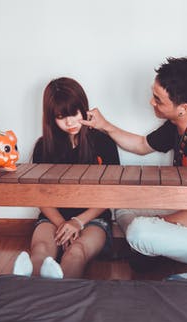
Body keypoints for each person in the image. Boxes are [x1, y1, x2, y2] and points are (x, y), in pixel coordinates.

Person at [80, 57, 187, 269]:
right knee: (123, 204)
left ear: (182, 108)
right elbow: (140, 145)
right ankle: (151, 247)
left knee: (140, 230)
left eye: (158, 99)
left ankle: (148, 246)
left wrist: (155, 221)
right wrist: (104, 125)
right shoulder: (178, 124)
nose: (151, 102)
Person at [13, 77, 120, 278]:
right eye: (62, 117)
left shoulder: (103, 142)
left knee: (75, 254)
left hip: (93, 220)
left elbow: (110, 194)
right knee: (40, 254)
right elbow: (39, 196)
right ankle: (28, 291)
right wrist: (63, 224)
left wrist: (77, 222)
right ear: (51, 118)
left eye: (73, 114)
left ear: (83, 109)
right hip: (52, 218)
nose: (69, 122)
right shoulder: (43, 147)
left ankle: (61, 303)